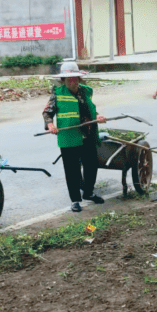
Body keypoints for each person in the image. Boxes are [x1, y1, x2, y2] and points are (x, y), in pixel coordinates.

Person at [43, 61, 107, 213]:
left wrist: (98, 117)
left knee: (91, 165)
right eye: (69, 79)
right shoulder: (57, 94)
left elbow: (90, 110)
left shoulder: (85, 92)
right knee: (72, 170)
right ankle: (75, 200)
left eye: (75, 78)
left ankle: (88, 192)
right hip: (69, 137)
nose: (73, 81)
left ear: (79, 78)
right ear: (63, 80)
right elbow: (47, 113)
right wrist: (50, 125)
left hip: (88, 135)